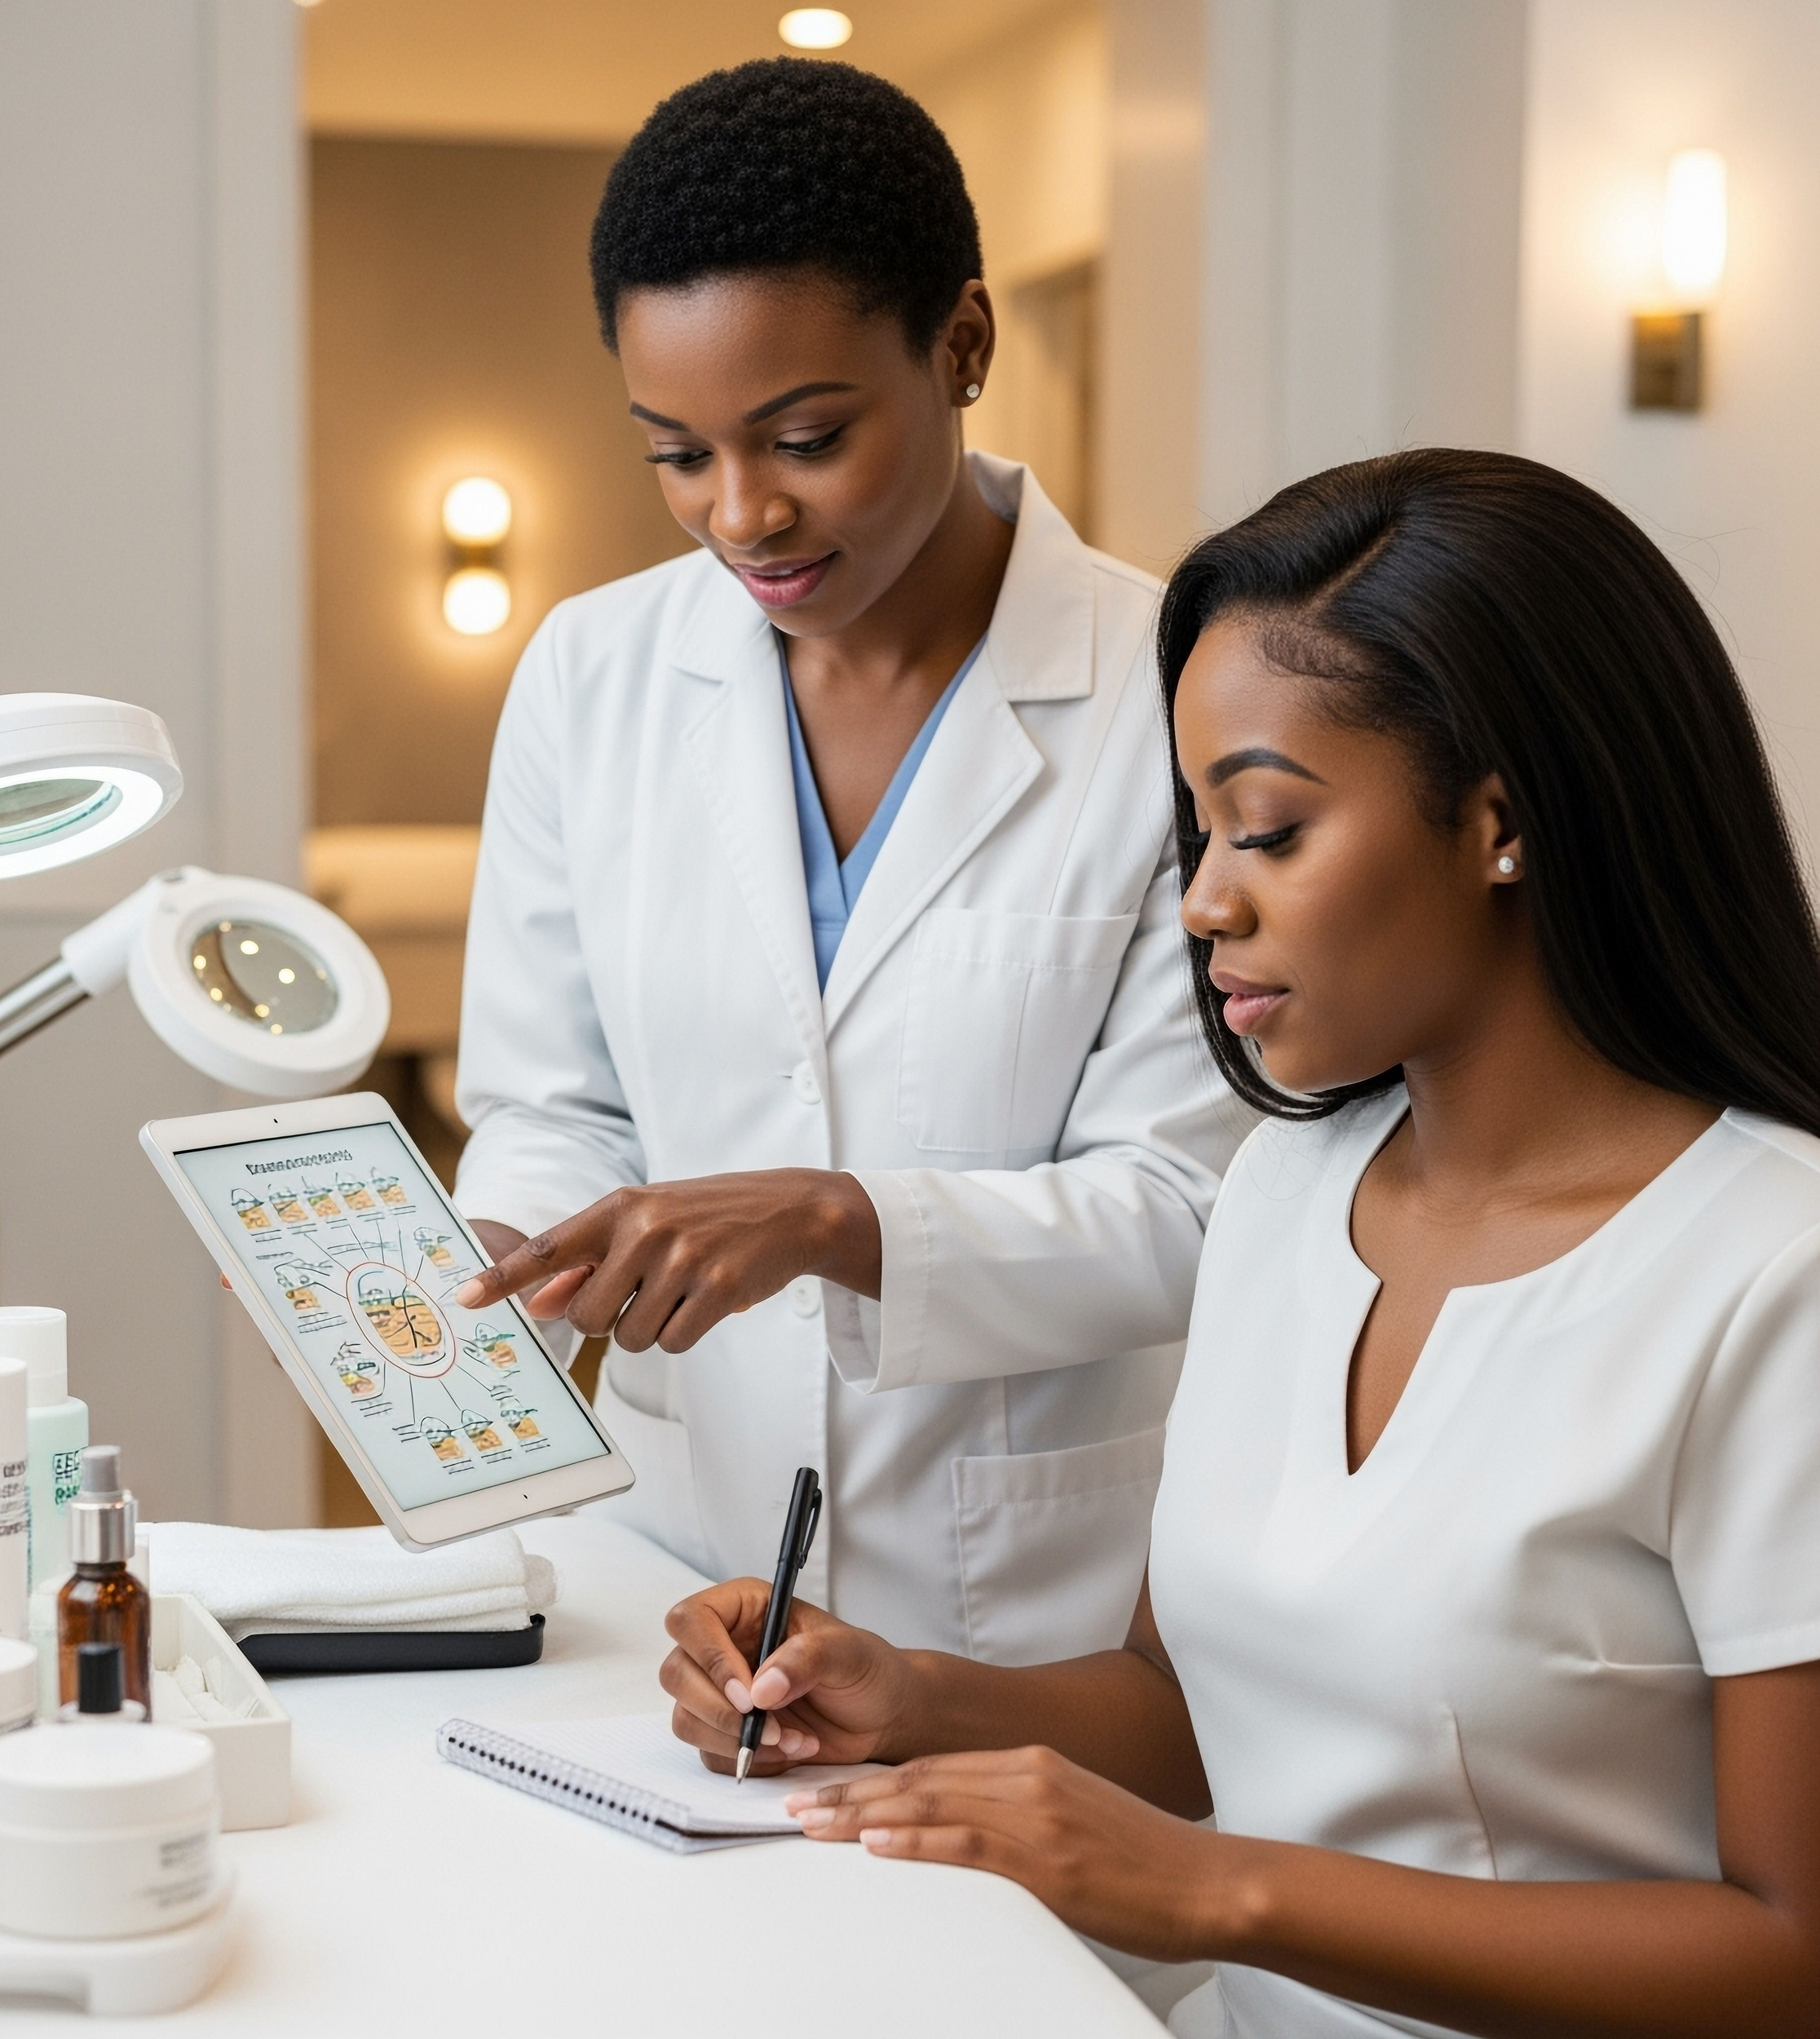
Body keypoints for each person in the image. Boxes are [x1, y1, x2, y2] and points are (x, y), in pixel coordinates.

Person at [658, 450, 1820, 2036]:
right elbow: (1183, 1703)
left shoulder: (1769, 1275)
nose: (1202, 902)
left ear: (1498, 820)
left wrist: (1214, 1890)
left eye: (1264, 829)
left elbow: (1784, 1951)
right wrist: (903, 1697)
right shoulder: (1284, 1191)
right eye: (1191, 835)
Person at [452, 58, 1248, 1665]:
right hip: (672, 1555)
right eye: (675, 451)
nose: (740, 513)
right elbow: (549, 1100)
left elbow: (1195, 1198)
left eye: (804, 435)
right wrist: (500, 1261)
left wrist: (838, 1220)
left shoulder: (1182, 683)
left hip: (1032, 1603)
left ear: (960, 346)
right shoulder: (589, 674)